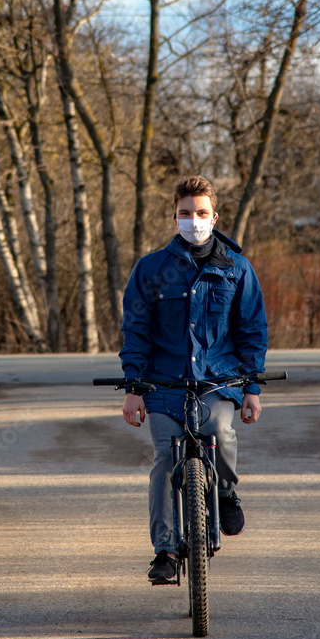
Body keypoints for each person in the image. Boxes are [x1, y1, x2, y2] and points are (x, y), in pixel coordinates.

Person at [119, 174, 268, 584]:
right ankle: (165, 550)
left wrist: (252, 387)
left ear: (214, 216)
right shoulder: (151, 269)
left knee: (220, 430)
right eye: (186, 213)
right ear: (175, 217)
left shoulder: (237, 268)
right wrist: (134, 388)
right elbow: (136, 331)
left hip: (219, 379)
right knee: (165, 460)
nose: (194, 220)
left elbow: (252, 329)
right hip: (163, 384)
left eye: (202, 213)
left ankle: (223, 491)